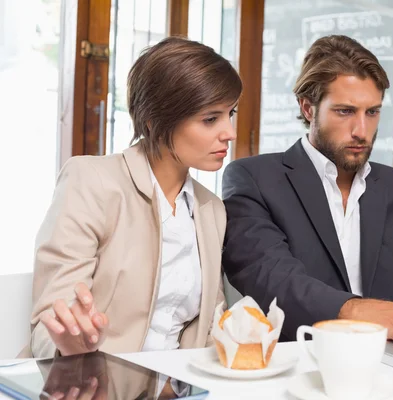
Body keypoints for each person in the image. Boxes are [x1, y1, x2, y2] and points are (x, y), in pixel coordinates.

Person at [20, 36, 241, 359]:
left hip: (177, 388)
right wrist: (69, 344)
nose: (229, 133)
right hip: (88, 385)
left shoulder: (211, 208)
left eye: (230, 114)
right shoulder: (92, 181)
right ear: (155, 121)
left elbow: (209, 327)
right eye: (210, 119)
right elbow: (51, 321)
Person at [222, 35, 393, 348]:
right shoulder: (254, 179)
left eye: (372, 112)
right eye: (344, 111)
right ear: (308, 108)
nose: (361, 131)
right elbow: (269, 277)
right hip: (302, 364)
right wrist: (360, 312)